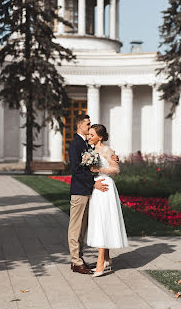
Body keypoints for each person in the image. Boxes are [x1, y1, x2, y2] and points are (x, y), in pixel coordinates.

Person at [68, 114, 118, 274]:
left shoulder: (87, 143)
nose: (90, 127)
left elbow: (100, 156)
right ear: (80, 125)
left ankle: (79, 259)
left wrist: (114, 158)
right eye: (88, 125)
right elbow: (76, 170)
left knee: (83, 228)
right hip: (80, 191)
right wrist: (93, 183)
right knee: (76, 227)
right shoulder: (76, 144)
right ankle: (75, 261)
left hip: (90, 192)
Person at [86, 124, 129, 277]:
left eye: (92, 135)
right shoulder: (90, 151)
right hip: (96, 188)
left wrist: (98, 170)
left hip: (105, 186)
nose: (89, 137)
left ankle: (100, 264)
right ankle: (107, 260)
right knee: (100, 220)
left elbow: (115, 169)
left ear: (100, 137)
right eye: (89, 134)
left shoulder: (107, 150)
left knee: (104, 221)